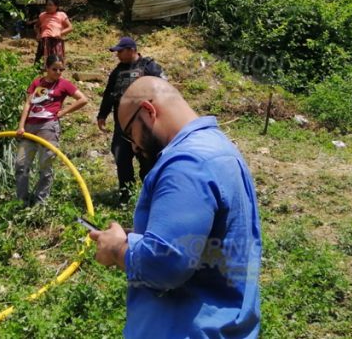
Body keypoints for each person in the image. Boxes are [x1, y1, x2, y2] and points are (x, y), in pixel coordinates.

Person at [89, 76, 262, 338]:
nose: (134, 147)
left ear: (148, 111)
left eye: (130, 134)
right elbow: (201, 241)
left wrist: (116, 249)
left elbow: (164, 264)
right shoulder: (219, 148)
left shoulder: (186, 164)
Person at [96, 36, 165, 203]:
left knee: (148, 163)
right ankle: (126, 198)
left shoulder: (150, 67)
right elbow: (108, 94)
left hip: (145, 126)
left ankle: (150, 198)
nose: (117, 54)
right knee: (122, 159)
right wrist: (102, 115)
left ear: (132, 50)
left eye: (120, 51)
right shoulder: (117, 71)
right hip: (122, 126)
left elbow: (164, 91)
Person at [14, 54, 88, 205]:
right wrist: (21, 125)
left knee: (45, 165)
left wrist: (64, 112)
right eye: (55, 69)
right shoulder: (37, 82)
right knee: (21, 165)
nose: (58, 72)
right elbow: (28, 104)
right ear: (47, 68)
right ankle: (21, 200)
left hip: (48, 127)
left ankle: (41, 202)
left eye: (61, 69)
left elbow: (83, 99)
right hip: (29, 127)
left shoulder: (64, 84)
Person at [34, 0, 71, 65]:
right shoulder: (42, 15)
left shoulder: (61, 15)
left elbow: (70, 27)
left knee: (56, 62)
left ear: (56, 6)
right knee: (42, 62)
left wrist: (60, 33)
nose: (48, 7)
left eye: (50, 5)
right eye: (47, 5)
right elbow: (36, 26)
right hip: (44, 40)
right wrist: (38, 34)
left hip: (56, 41)